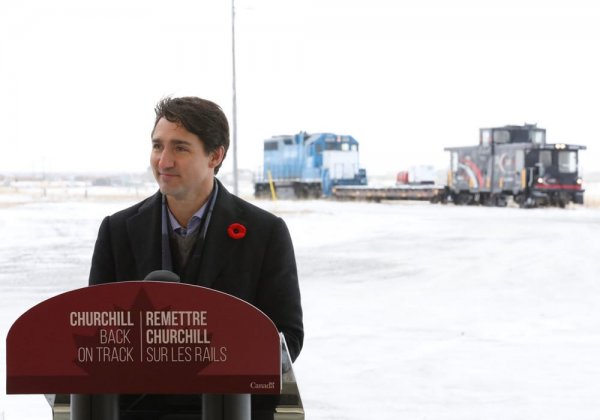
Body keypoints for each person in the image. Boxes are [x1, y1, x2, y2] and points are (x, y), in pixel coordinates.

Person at [88, 96, 303, 416]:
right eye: (158, 146)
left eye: (180, 148)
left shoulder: (264, 232)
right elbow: (96, 331)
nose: (163, 161)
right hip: (139, 411)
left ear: (215, 155)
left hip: (232, 409)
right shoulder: (117, 230)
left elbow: (287, 335)